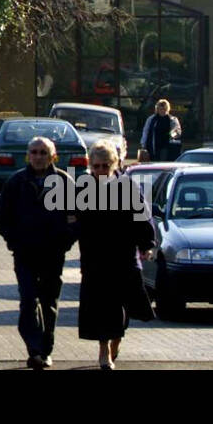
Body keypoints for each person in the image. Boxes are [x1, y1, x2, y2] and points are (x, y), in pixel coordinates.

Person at [0, 136, 76, 370]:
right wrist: (14, 240)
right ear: (28, 155)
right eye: (34, 152)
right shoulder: (16, 182)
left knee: (49, 303)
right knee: (29, 300)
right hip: (25, 254)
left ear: (52, 156)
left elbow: (75, 218)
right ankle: (34, 349)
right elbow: (0, 219)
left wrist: (65, 240)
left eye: (43, 152)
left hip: (53, 254)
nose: (38, 157)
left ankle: (45, 351)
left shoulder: (64, 181)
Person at [76, 141, 156, 369]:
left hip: (124, 256)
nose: (100, 171)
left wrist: (147, 244)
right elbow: (73, 220)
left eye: (105, 166)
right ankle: (103, 352)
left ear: (113, 165)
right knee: (103, 306)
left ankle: (116, 341)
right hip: (95, 257)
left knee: (124, 304)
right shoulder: (83, 188)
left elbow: (143, 216)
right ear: (91, 166)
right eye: (96, 166)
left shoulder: (127, 187)